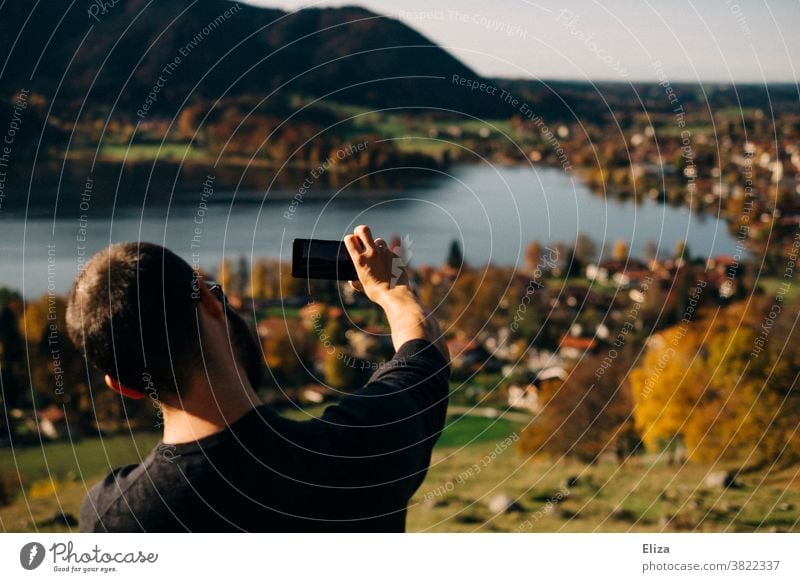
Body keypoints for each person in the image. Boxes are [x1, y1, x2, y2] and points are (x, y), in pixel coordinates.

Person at [66, 225, 449, 532]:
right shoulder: (367, 449)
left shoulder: (115, 519)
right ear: (210, 301)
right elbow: (423, 354)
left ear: (124, 386)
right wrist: (390, 291)